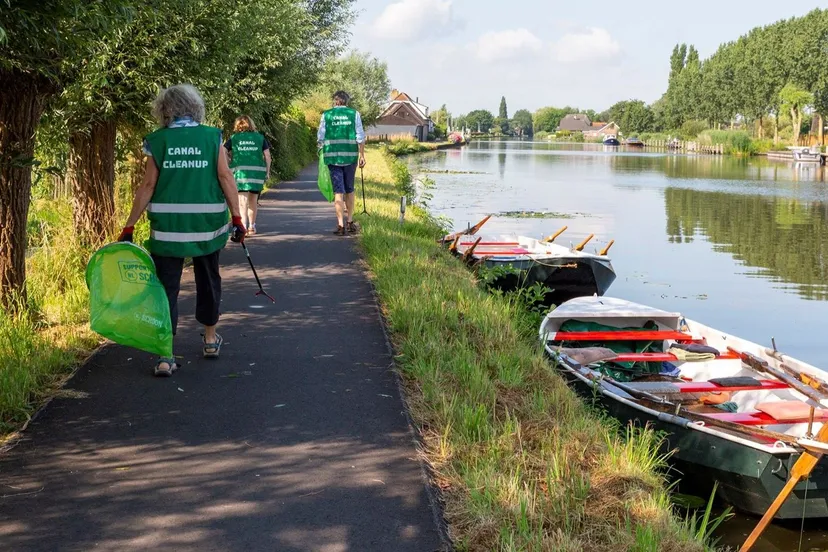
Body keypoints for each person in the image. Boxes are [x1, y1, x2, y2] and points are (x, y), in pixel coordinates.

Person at [117, 84, 246, 377]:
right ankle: (211, 339)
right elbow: (225, 177)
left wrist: (130, 225)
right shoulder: (212, 137)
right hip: (207, 228)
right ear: (195, 107)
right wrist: (237, 218)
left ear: (164, 110)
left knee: (166, 289)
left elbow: (148, 185)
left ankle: (165, 355)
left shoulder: (157, 141)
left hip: (168, 231)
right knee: (209, 280)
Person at [317, 90, 366, 236]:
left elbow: (320, 137)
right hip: (350, 158)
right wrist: (362, 155)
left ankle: (340, 225)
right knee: (350, 190)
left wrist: (321, 151)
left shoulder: (326, 115)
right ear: (347, 101)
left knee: (338, 192)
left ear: (335, 101)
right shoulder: (354, 114)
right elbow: (360, 137)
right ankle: (350, 222)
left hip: (333, 158)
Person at [225, 115, 271, 235]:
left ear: (237, 125)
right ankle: (252, 226)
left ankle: (243, 227)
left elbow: (223, 151)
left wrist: (229, 161)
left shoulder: (234, 138)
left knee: (242, 201)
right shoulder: (260, 138)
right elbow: (267, 156)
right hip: (256, 174)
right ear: (251, 124)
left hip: (240, 174)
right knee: (253, 201)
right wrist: (267, 171)